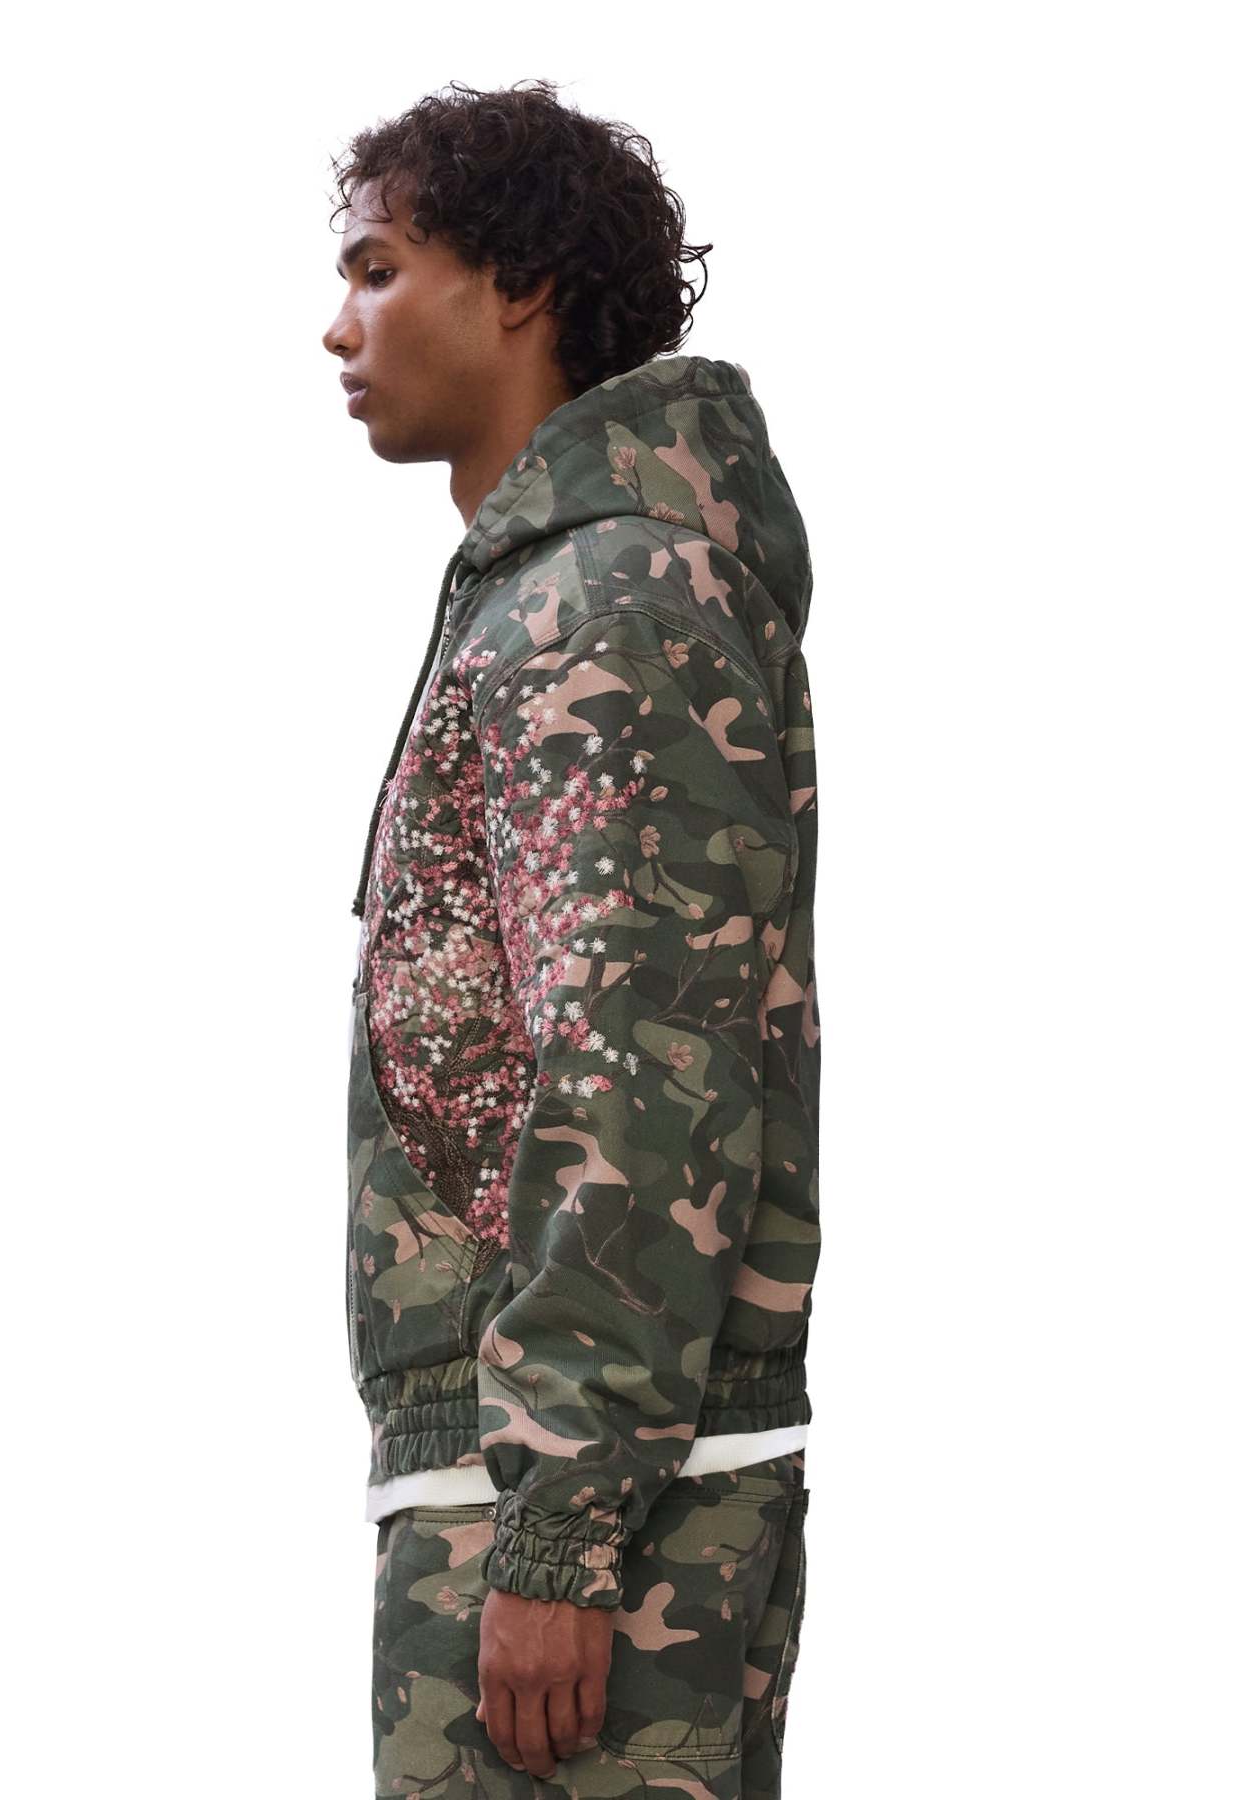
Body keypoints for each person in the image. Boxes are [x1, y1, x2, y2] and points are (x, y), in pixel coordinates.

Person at [322, 78, 823, 1799]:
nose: (339, 326)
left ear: (519, 283)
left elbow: (640, 1065)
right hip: (546, 1477)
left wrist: (560, 1529)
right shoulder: (554, 593)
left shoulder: (606, 603)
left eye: (379, 268)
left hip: (581, 1508)